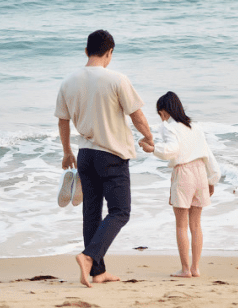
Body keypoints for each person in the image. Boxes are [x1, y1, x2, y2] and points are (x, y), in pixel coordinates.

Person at [55, 29, 156, 288]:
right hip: (112, 155)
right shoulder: (117, 79)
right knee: (120, 211)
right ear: (109, 53)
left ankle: (97, 272)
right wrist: (149, 137)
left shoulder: (68, 82)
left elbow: (63, 121)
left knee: (92, 214)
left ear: (87, 50)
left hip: (85, 155)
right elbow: (136, 114)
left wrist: (67, 151)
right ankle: (89, 257)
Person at [152, 91, 221, 278]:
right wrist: (212, 179)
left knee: (181, 226)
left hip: (183, 173)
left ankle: (185, 270)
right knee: (196, 225)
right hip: (200, 172)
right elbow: (209, 155)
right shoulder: (195, 127)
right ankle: (195, 268)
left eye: (160, 114)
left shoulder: (169, 127)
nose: (162, 118)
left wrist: (153, 148)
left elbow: (171, 151)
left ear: (164, 111)